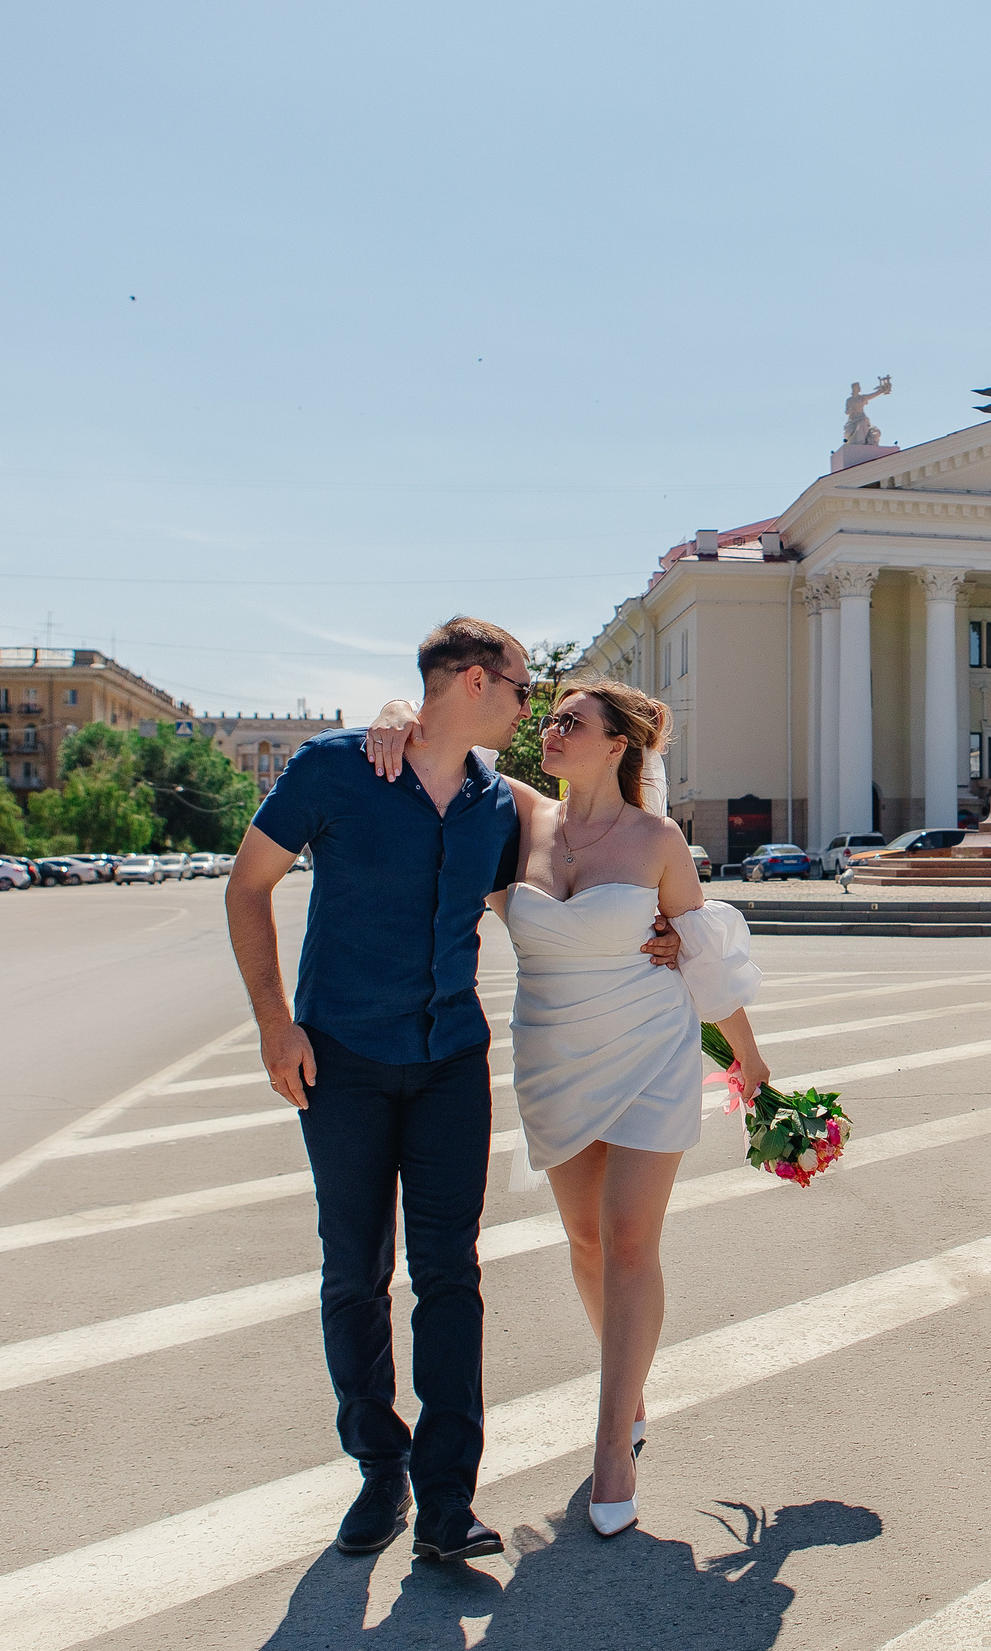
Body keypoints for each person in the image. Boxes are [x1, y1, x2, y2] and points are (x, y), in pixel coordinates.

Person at [224, 618, 679, 1565]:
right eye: (521, 690)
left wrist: (671, 937)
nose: (529, 709)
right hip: (340, 1059)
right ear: (475, 682)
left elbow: (600, 859)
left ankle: (443, 1500)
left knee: (451, 1276)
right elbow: (247, 885)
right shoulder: (337, 769)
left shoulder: (494, 806)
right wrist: (276, 1021)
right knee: (354, 1270)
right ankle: (377, 1468)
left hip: (449, 1066)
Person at [367, 680, 772, 1541]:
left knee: (630, 1237)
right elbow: (443, 746)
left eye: (570, 722)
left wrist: (755, 1065)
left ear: (618, 744)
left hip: (649, 1050)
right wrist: (400, 715)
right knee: (586, 1242)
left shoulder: (659, 839)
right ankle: (631, 1388)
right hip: (553, 1055)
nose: (550, 730)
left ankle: (611, 1441)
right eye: (549, 717)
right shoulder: (512, 813)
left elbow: (699, 953)